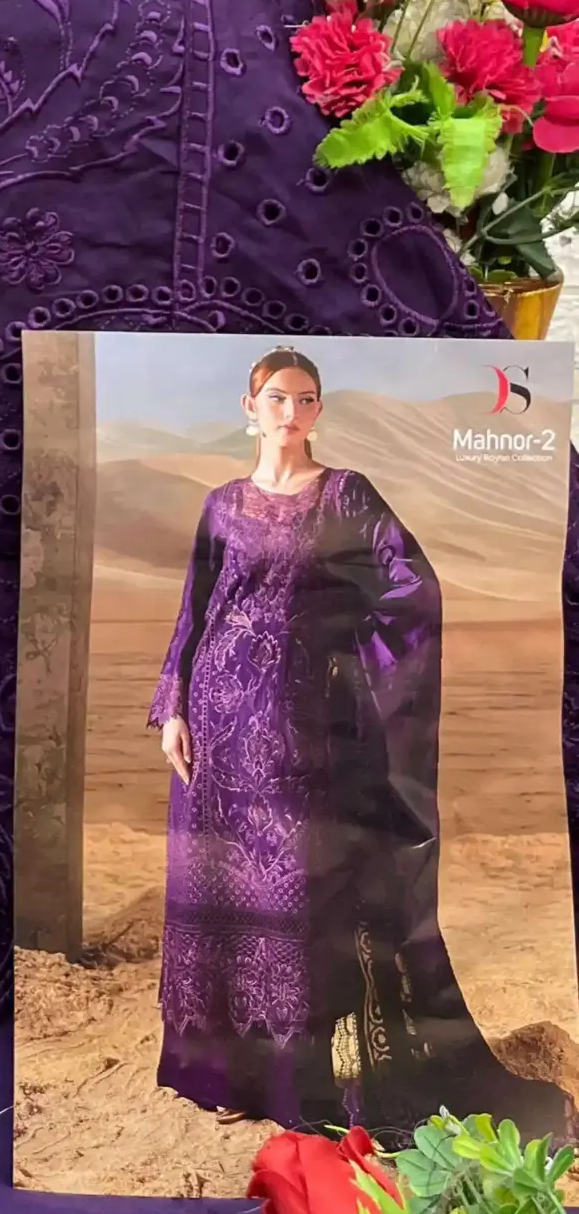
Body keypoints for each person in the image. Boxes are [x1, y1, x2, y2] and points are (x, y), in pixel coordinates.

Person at [150, 348, 566, 1138]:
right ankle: (225, 1075)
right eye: (277, 398)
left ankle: (292, 1083)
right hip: (216, 732)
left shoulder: (346, 494)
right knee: (222, 894)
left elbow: (413, 586)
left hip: (301, 732)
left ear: (318, 410)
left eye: (306, 399)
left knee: (294, 898)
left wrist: (344, 654)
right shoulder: (220, 504)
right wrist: (173, 704)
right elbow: (194, 610)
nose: (291, 412)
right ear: (250, 407)